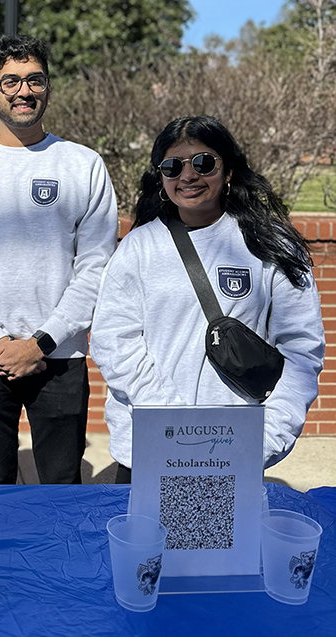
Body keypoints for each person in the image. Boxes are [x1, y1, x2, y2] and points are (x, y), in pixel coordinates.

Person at [90, 115, 325, 483]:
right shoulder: (139, 247)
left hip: (236, 453)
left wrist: (266, 440)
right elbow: (114, 344)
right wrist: (178, 426)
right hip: (152, 450)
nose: (188, 176)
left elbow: (301, 351)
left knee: (221, 543)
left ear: (228, 170)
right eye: (172, 166)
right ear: (161, 176)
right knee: (147, 543)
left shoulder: (272, 246)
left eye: (203, 162)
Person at [0, 35, 119, 485]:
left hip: (61, 356)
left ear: (47, 88)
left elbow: (97, 267)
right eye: (10, 81)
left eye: (35, 80)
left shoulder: (83, 164)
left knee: (62, 487)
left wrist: (41, 344)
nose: (24, 90)